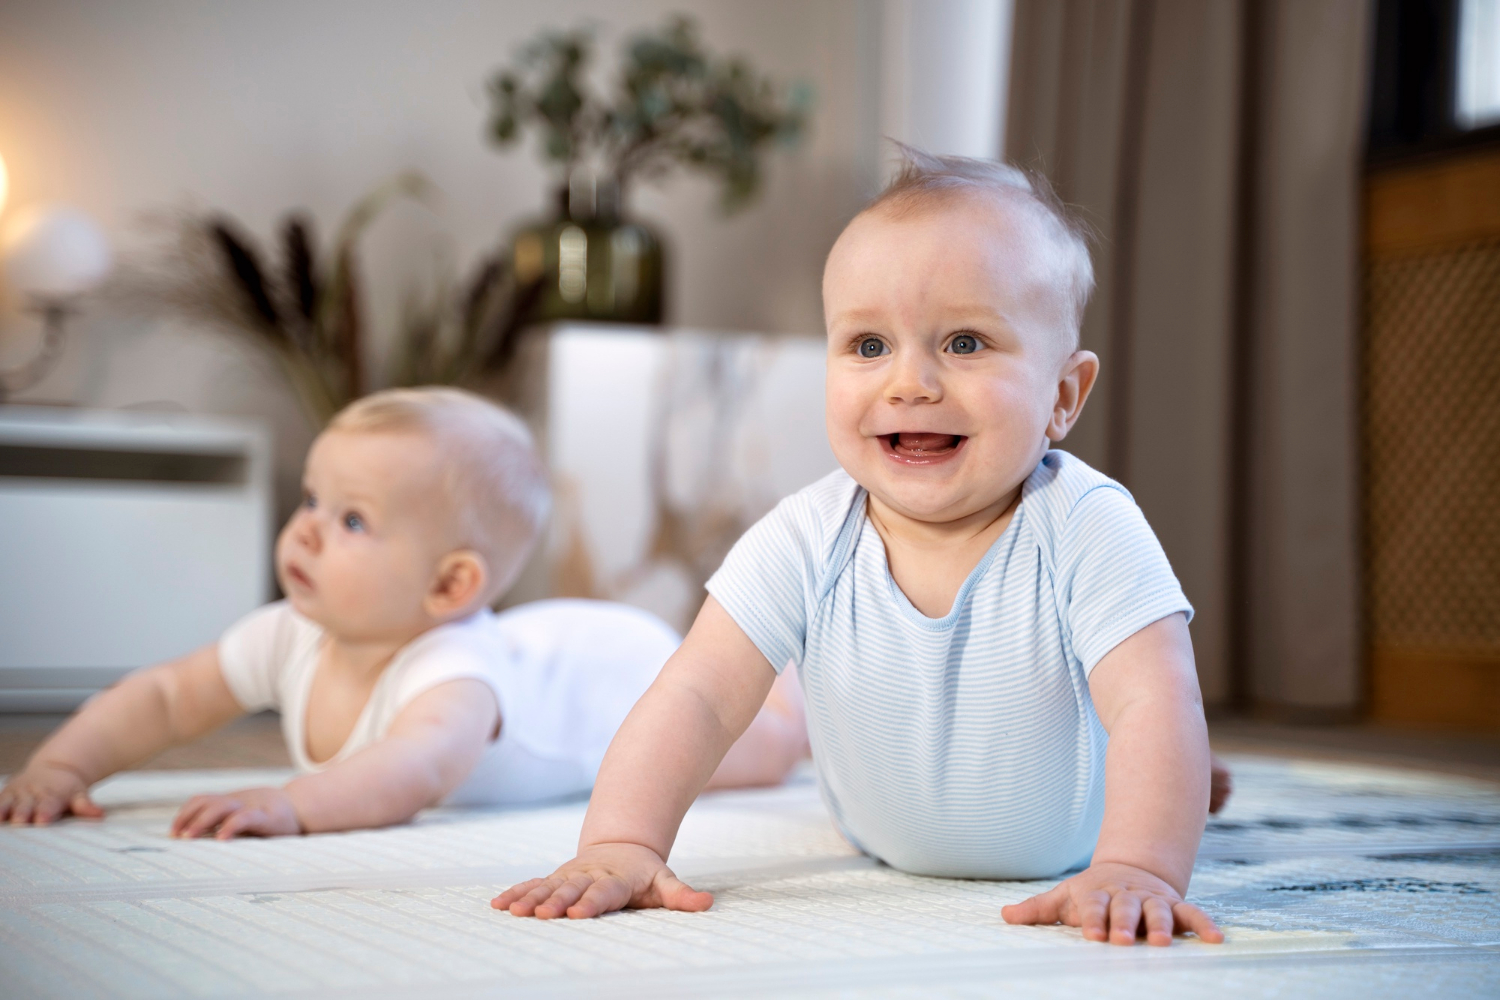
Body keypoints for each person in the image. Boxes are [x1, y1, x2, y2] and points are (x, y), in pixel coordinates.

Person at [494, 149, 1227, 947]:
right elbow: (696, 696)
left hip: (1069, 839)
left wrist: (1139, 865)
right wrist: (620, 842)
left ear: (1063, 395)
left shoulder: (1087, 525)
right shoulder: (805, 534)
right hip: (876, 831)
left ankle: (1179, 786)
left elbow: (1155, 700)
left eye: (966, 343)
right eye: (869, 346)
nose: (909, 383)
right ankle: (1186, 778)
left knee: (1160, 741)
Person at [0, 387, 807, 837]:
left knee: (756, 747)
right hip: (544, 641)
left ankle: (798, 685)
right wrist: (62, 768)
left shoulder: (453, 673)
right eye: (311, 500)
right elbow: (167, 697)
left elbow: (415, 769)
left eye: (351, 520)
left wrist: (294, 803)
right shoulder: (291, 632)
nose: (307, 528)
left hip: (608, 684)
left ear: (449, 588)